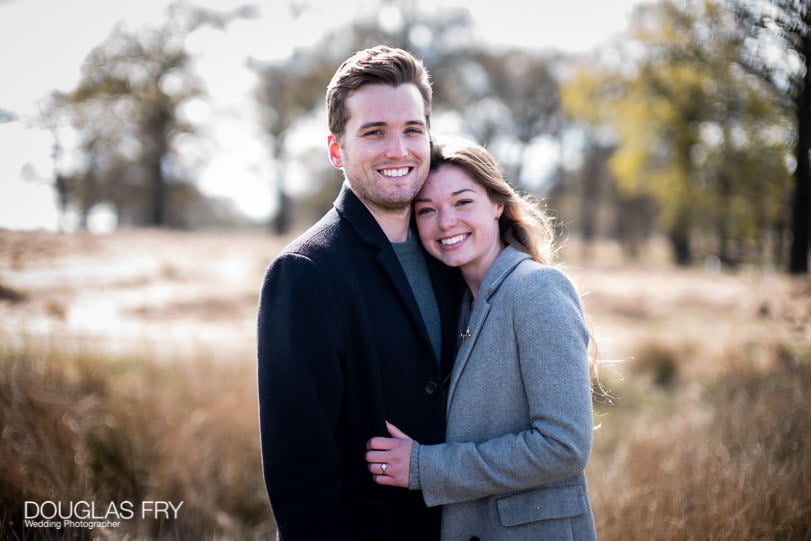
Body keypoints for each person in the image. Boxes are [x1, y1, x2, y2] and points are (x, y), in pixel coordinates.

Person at [257, 46, 461, 541]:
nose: (399, 150)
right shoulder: (304, 273)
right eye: (374, 132)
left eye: (413, 130)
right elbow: (300, 475)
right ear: (336, 149)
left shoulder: (451, 253)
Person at [365, 138, 598, 540]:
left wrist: (424, 467)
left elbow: (565, 446)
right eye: (427, 210)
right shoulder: (457, 303)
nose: (445, 222)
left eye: (462, 202)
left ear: (497, 204)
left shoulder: (536, 289)